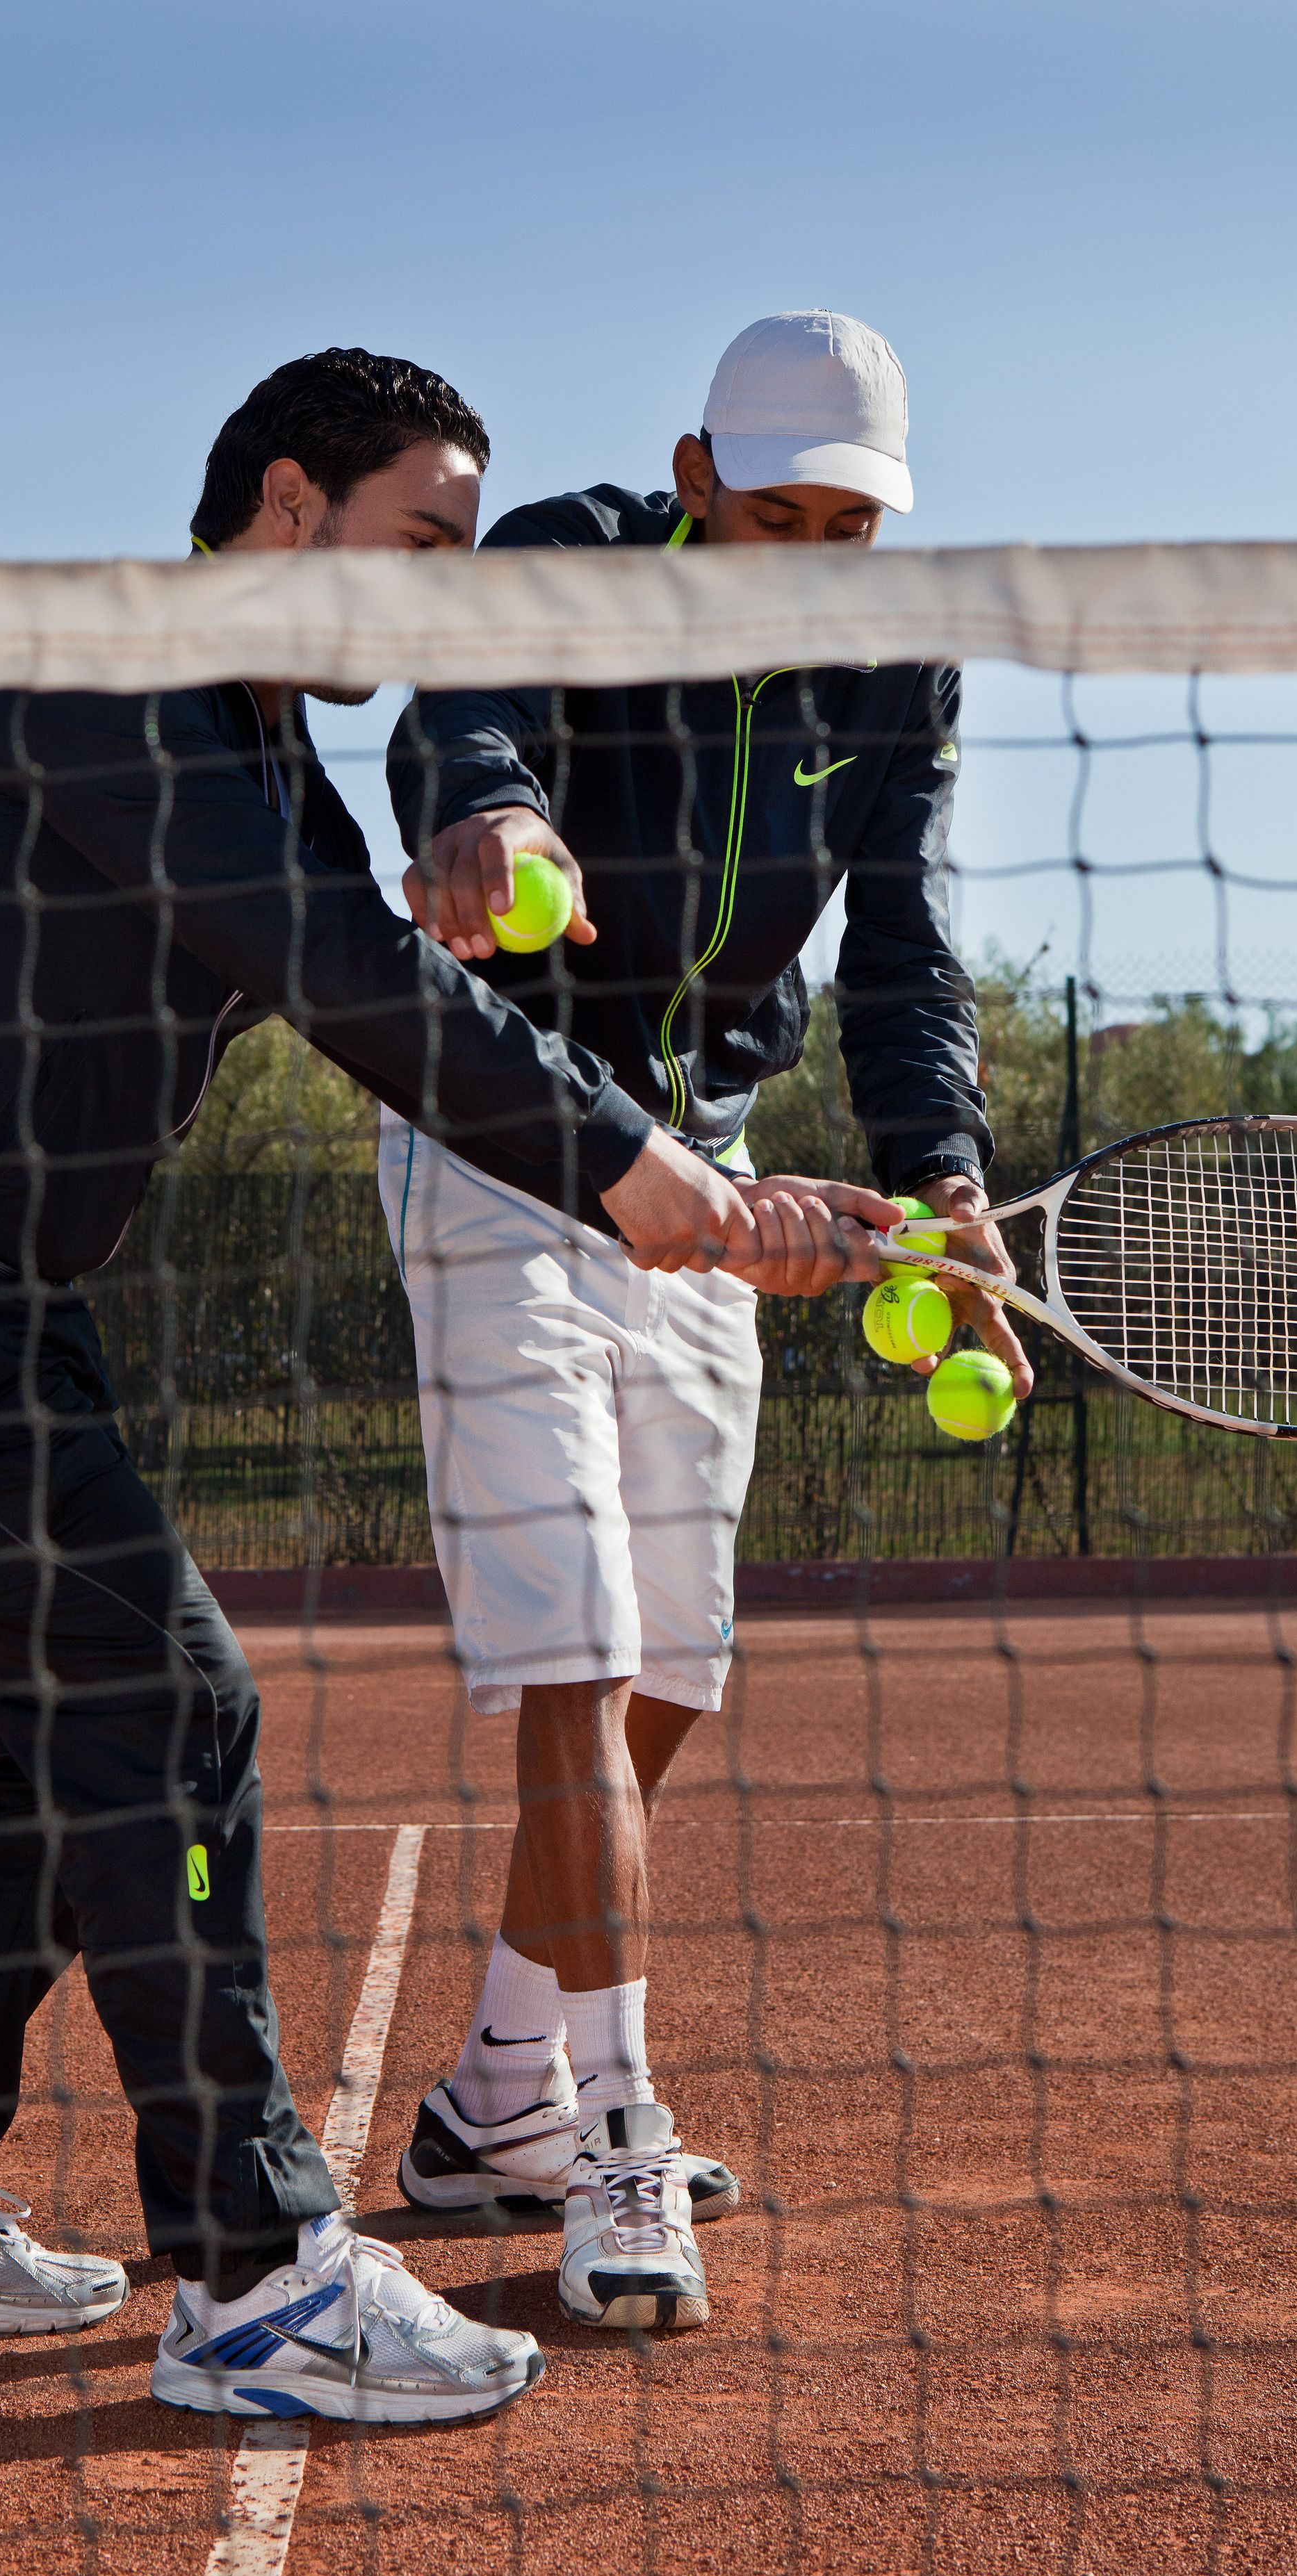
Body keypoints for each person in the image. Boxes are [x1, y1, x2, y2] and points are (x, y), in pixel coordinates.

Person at [0, 348, 754, 2425]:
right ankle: (262, 2272)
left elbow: (399, 983)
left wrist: (700, 1173)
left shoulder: (260, 752)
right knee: (175, 1705)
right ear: (289, 507)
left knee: (78, 1746)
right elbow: (344, 978)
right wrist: (639, 1173)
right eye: (426, 543)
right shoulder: (110, 670)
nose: (449, 595)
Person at [383, 311, 1034, 2331]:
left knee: (674, 1667)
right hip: (507, 1135)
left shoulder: (895, 668)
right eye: (775, 511)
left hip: (716, 1173)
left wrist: (944, 1188)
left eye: (849, 526)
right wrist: (497, 821)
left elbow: (907, 955)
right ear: (689, 477)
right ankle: (616, 2131)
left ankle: (497, 2092)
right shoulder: (567, 562)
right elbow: (456, 727)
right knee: (577, 1652)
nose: (809, 554)